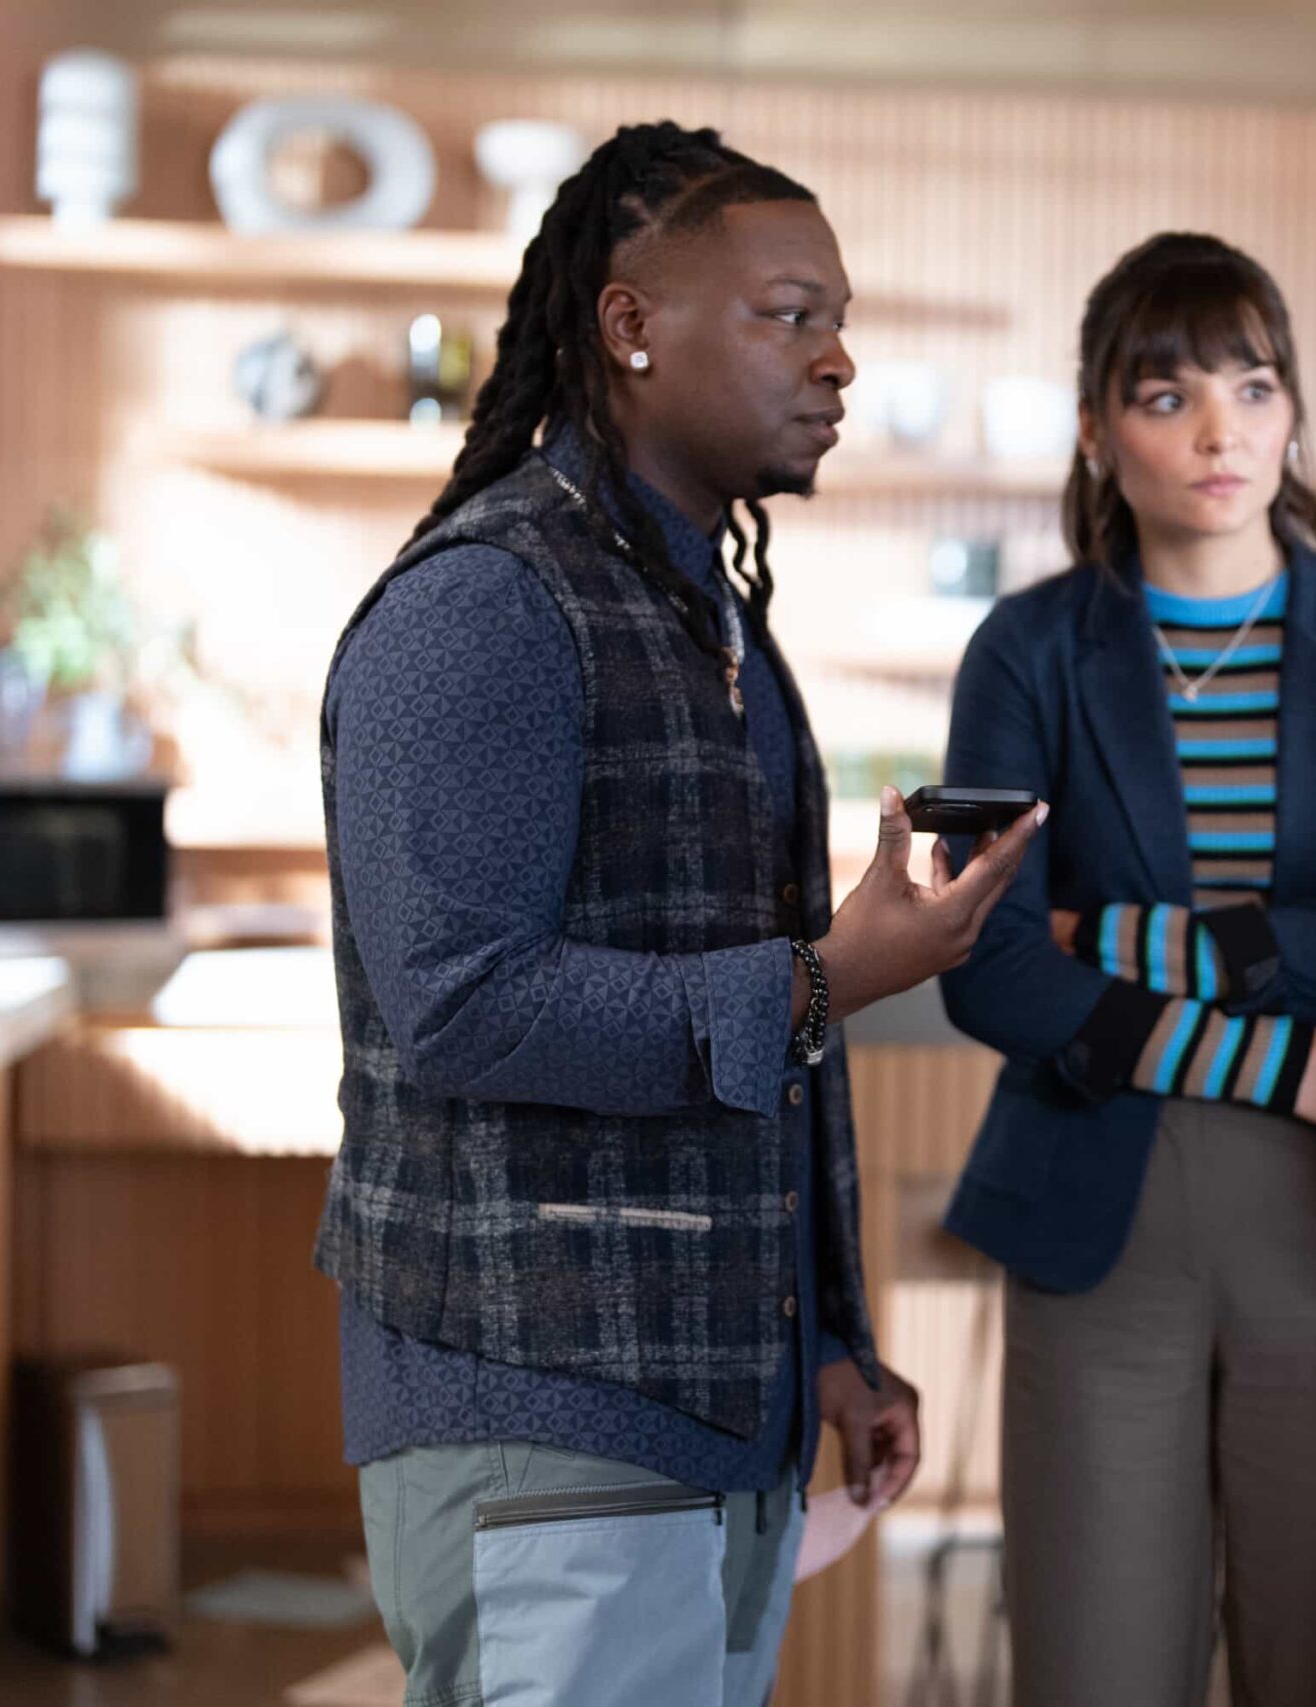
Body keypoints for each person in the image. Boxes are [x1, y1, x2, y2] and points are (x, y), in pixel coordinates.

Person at [314, 121, 1041, 1706]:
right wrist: (825, 977)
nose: (839, 358)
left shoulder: (704, 610)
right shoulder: (485, 607)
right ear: (629, 325)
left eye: (839, 316)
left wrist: (828, 1341)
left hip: (723, 1406)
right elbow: (462, 1002)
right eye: (791, 313)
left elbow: (755, 1020)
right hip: (545, 1406)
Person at [936, 232, 1316, 1706]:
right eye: (1167, 395)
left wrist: (1102, 935)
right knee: (1095, 1667)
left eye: (1253, 384)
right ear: (1102, 429)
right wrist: (1280, 1054)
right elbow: (979, 964)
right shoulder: (1020, 652)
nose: (1220, 429)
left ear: (1294, 409)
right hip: (1098, 1208)